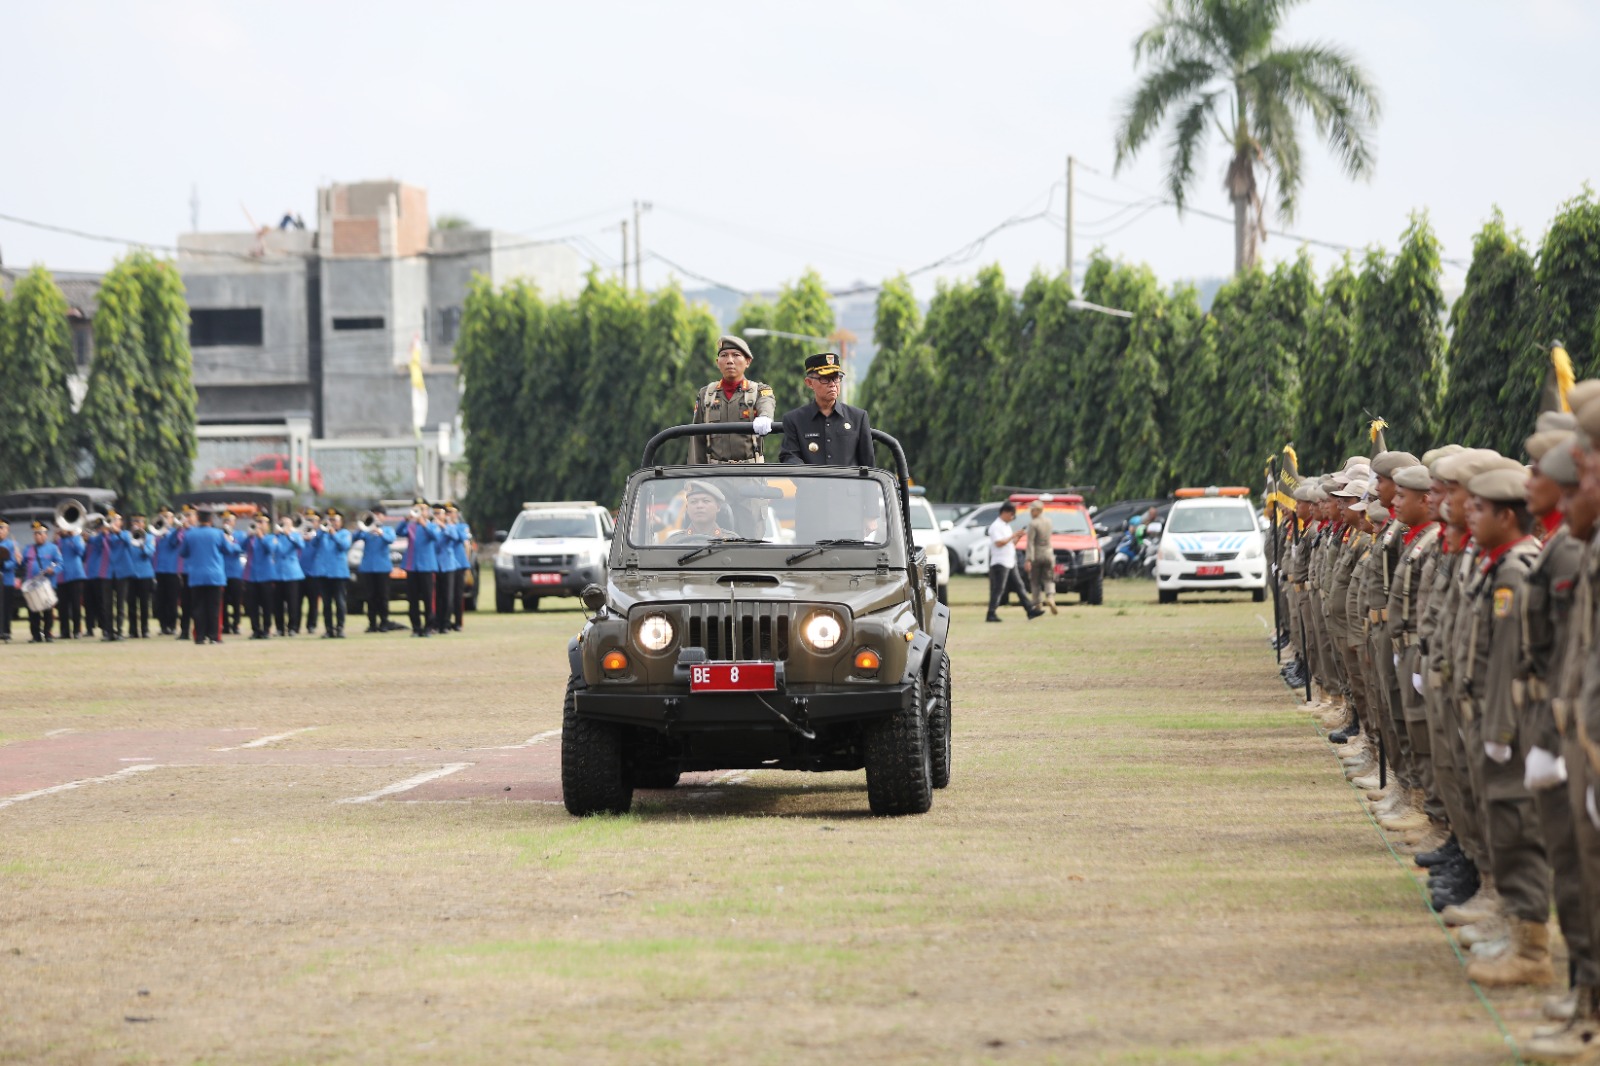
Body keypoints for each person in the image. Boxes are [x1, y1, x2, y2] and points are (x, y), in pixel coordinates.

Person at [690, 335, 777, 464]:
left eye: (736, 355)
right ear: (717, 362)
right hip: (715, 476)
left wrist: (765, 417)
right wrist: (694, 478)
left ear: (748, 361)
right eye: (724, 355)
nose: (730, 360)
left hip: (750, 475)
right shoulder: (706, 395)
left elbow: (767, 404)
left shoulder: (759, 391)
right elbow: (697, 441)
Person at [778, 352, 875, 467]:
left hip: (849, 485)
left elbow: (868, 465)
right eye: (825, 379)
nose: (833, 384)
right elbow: (790, 457)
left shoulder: (858, 418)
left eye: (836, 378)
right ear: (809, 383)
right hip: (810, 484)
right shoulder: (794, 420)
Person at [985, 503, 1043, 623]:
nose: (1012, 518)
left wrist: (1018, 538)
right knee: (999, 589)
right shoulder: (996, 526)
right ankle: (991, 613)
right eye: (1011, 515)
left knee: (1020, 586)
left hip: (1010, 562)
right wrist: (1013, 536)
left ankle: (1030, 610)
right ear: (1005, 512)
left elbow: (1010, 544)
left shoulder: (1006, 526)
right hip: (1000, 562)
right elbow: (999, 543)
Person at [179, 508, 230, 645]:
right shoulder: (218, 533)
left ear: (198, 519)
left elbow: (183, 553)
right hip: (215, 575)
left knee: (198, 608)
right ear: (211, 519)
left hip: (196, 576)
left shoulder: (190, 534)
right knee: (214, 608)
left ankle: (200, 636)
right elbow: (228, 550)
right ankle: (214, 636)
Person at [398, 501, 441, 637]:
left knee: (428, 599)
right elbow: (398, 532)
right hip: (412, 566)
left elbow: (436, 537)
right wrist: (406, 519)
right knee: (413, 599)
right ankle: (416, 627)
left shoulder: (432, 525)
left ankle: (428, 627)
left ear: (427, 512)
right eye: (417, 509)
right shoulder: (411, 526)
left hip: (426, 566)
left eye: (423, 509)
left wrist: (425, 524)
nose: (420, 512)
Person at [311, 509, 353, 638]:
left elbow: (344, 546)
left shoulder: (344, 533)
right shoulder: (322, 534)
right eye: (330, 520)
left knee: (340, 601)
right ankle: (329, 629)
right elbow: (313, 544)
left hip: (338, 572)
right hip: (323, 573)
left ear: (340, 522)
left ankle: (340, 628)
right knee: (326, 603)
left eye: (334, 520)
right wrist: (320, 531)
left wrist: (333, 534)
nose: (332, 522)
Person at [354, 509, 398, 633]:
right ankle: (372, 623)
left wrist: (380, 532)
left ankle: (384, 622)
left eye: (379, 515)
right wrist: (361, 528)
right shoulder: (367, 530)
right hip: (368, 568)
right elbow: (355, 537)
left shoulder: (387, 529)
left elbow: (390, 539)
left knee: (383, 596)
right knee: (370, 596)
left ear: (384, 517)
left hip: (382, 568)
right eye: (375, 514)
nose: (377, 517)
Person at [241, 516, 283, 639]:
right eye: (257, 522)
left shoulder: (271, 538)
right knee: (252, 605)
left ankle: (266, 629)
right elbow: (241, 548)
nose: (259, 525)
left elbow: (271, 550)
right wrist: (248, 536)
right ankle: (255, 629)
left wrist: (261, 537)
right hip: (251, 575)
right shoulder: (251, 538)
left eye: (261, 522)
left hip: (266, 575)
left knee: (267, 604)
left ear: (267, 525)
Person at [20, 522, 62, 643]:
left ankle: (48, 634)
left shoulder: (53, 548)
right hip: (32, 585)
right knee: (33, 611)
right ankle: (35, 635)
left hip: (47, 584)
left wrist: (53, 570)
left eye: (39, 533)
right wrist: (19, 560)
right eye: (35, 534)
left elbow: (60, 563)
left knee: (48, 611)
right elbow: (22, 564)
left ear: (45, 535)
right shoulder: (28, 548)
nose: (37, 536)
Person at [124, 514, 157, 639]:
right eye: (135, 521)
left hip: (145, 574)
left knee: (144, 604)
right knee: (131, 604)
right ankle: (133, 630)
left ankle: (145, 630)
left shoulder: (149, 537)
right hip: (131, 574)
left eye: (140, 521)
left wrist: (142, 543)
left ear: (144, 524)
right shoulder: (127, 536)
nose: (138, 524)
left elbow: (149, 553)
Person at [153, 507, 182, 635]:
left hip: (172, 570)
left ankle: (172, 625)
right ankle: (163, 626)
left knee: (172, 600)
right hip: (159, 570)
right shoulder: (155, 534)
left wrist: (176, 529)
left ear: (172, 519)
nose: (164, 519)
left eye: (167, 517)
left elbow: (174, 542)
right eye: (162, 517)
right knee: (160, 600)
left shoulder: (175, 532)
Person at [1025, 501, 1057, 615]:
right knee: (1049, 578)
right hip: (1048, 554)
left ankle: (1037, 604)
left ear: (1038, 510)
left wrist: (1028, 559)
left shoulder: (1033, 524)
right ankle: (1050, 597)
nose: (1030, 512)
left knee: (1035, 581)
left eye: (1032, 510)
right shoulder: (1049, 522)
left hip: (1037, 555)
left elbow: (1030, 543)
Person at [55, 523, 85, 639]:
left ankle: (77, 630)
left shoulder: (77, 538)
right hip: (61, 576)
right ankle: (64, 631)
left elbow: (81, 551)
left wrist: (72, 536)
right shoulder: (58, 541)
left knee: (76, 605)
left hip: (75, 575)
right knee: (62, 606)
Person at [0, 519, 13, 644]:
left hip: (7, 581)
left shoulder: (11, 544)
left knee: (7, 607)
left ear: (7, 530)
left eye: (1, 528)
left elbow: (13, 562)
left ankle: (7, 632)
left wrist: (4, 563)